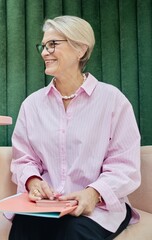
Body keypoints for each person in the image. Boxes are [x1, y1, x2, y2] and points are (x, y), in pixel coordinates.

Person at [9, 15, 141, 240]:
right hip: (47, 206)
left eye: (53, 44)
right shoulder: (31, 105)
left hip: (99, 207)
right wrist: (33, 181)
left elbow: (124, 166)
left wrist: (93, 193)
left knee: (72, 231)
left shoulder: (113, 101)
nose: (44, 52)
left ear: (80, 49)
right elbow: (24, 159)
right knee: (24, 226)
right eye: (43, 45)